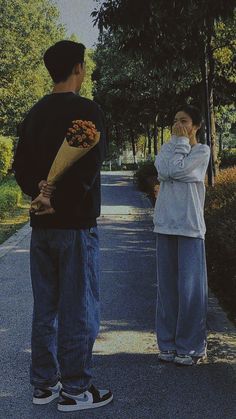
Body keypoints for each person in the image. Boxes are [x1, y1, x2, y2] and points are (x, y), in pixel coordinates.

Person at [13, 40, 113, 412]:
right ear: (77, 68)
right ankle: (76, 389)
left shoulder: (34, 113)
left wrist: (39, 192)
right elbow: (88, 168)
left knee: (46, 307)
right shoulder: (88, 110)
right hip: (74, 226)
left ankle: (43, 385)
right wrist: (59, 199)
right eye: (84, 67)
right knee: (78, 307)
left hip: (40, 226)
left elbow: (21, 168)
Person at [153, 104, 210, 366]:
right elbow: (164, 170)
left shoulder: (202, 151)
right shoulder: (168, 147)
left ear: (196, 125)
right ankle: (166, 344)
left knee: (190, 291)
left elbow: (177, 171)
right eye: (175, 121)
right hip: (165, 224)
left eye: (184, 121)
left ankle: (190, 346)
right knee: (167, 289)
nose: (178, 126)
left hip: (189, 226)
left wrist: (180, 143)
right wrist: (176, 143)